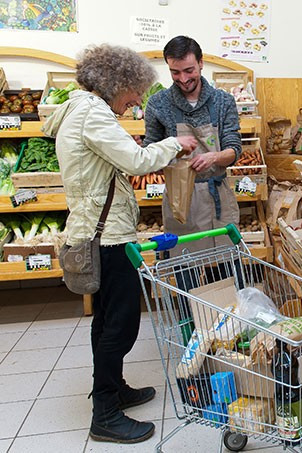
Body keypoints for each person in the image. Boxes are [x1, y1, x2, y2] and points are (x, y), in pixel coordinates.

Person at [42, 44, 197, 444]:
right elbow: (137, 161)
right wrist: (175, 144)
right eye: (134, 92)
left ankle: (113, 389)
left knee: (107, 320)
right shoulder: (93, 113)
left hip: (99, 231)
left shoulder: (83, 110)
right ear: (117, 83)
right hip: (106, 237)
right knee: (120, 323)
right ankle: (105, 413)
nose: (136, 101)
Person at [144, 36, 242, 258]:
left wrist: (214, 158)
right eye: (175, 72)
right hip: (181, 201)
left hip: (217, 196)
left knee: (224, 272)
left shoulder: (223, 101)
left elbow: (234, 149)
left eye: (189, 70)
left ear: (201, 63)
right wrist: (174, 156)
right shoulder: (158, 104)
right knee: (183, 270)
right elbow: (150, 151)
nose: (183, 78)